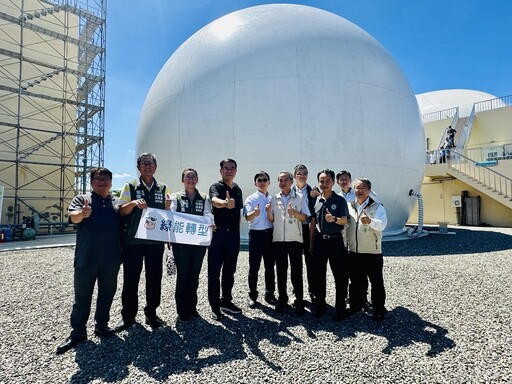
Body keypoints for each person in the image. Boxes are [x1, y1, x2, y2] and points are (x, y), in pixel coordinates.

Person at [56, 167, 121, 355]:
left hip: (111, 258)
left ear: (111, 181)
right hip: (86, 258)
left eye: (106, 178)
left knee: (107, 294)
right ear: (92, 182)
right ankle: (78, 332)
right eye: (98, 178)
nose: (103, 181)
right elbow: (73, 217)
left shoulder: (116, 203)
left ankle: (102, 325)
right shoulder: (82, 199)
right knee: (82, 297)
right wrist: (82, 214)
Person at [115, 153, 171, 331]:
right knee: (131, 279)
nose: (148, 166)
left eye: (151, 163)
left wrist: (169, 209)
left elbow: (168, 215)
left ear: (156, 167)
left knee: (154, 279)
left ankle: (151, 313)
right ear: (138, 167)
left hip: (155, 242)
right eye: (144, 163)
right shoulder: (130, 186)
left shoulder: (163, 189)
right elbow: (122, 211)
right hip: (133, 242)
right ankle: (129, 316)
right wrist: (132, 203)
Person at [170, 168, 213, 322]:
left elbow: (207, 214)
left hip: (198, 243)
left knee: (194, 276)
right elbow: (172, 215)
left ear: (197, 180)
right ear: (183, 180)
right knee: (183, 275)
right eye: (187, 177)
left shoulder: (204, 197)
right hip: (181, 243)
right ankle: (182, 310)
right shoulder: (175, 197)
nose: (190, 180)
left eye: (193, 177)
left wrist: (210, 224)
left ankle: (192, 307)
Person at [267, 171, 310, 315]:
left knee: (296, 272)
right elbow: (272, 220)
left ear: (292, 182)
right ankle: (282, 298)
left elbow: (305, 218)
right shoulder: (274, 198)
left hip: (295, 240)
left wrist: (295, 213)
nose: (283, 182)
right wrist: (268, 213)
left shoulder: (300, 197)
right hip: (279, 240)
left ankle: (299, 300)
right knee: (280, 271)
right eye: (280, 180)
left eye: (286, 180)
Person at [346, 177, 388, 322]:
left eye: (364, 188)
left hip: (372, 252)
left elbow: (382, 225)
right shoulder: (349, 206)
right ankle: (356, 306)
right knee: (356, 282)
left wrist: (370, 222)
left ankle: (379, 309)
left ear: (369, 190)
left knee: (376, 282)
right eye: (357, 188)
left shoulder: (377, 207)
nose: (360, 191)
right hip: (354, 251)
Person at [310, 169, 349, 321]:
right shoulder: (316, 200)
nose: (324, 184)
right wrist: (311, 243)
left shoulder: (339, 200)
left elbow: (345, 220)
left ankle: (340, 308)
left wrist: (334, 219)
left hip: (335, 241)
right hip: (320, 240)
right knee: (319, 275)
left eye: (327, 181)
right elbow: (313, 222)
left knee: (340, 276)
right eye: (321, 181)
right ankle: (320, 306)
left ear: (333, 182)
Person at [208, 158, 243, 320]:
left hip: (233, 235)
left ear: (235, 171)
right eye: (226, 168)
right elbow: (215, 201)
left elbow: (238, 214)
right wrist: (224, 203)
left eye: (232, 168)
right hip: (218, 235)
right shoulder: (216, 187)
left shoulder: (237, 189)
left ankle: (226, 301)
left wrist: (237, 232)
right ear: (221, 170)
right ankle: (215, 306)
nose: (229, 170)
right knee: (214, 271)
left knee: (230, 270)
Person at [244, 171, 276, 308]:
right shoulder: (251, 199)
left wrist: (268, 212)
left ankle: (269, 293)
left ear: (269, 182)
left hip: (269, 234)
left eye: (265, 180)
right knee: (254, 267)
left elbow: (274, 219)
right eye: (259, 180)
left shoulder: (273, 199)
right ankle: (252, 295)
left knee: (270, 266)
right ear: (255, 183)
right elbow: (247, 217)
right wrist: (254, 213)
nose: (262, 182)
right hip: (256, 235)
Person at [292, 164, 319, 302]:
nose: (302, 176)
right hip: (294, 229)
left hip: (309, 228)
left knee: (311, 260)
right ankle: (297, 291)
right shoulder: (289, 192)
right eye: (299, 173)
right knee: (295, 262)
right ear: (294, 175)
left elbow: (316, 212)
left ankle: (313, 289)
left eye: (304, 173)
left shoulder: (313, 192)